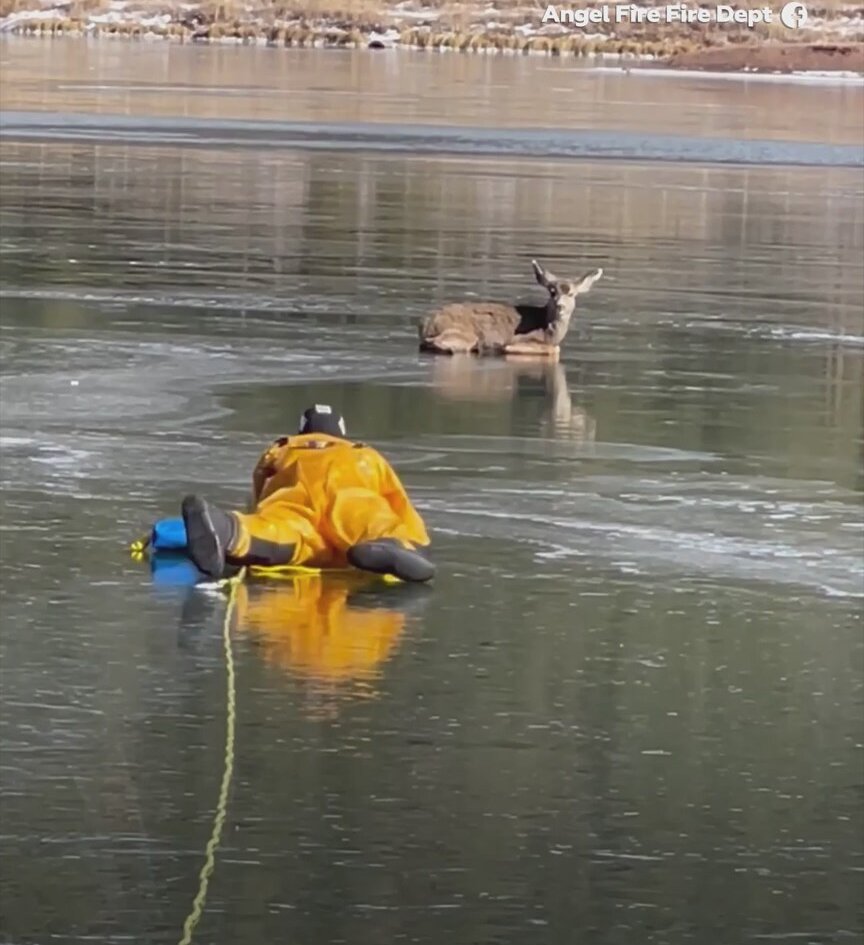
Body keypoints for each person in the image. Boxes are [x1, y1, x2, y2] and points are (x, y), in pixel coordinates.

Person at [180, 404, 435, 583]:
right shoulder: (363, 452)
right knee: (370, 520)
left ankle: (230, 531)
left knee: (279, 530)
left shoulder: (283, 448)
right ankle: (394, 545)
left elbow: (259, 483)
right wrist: (417, 540)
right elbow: (396, 498)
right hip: (348, 493)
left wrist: (256, 511)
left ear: (302, 430)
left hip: (297, 501)